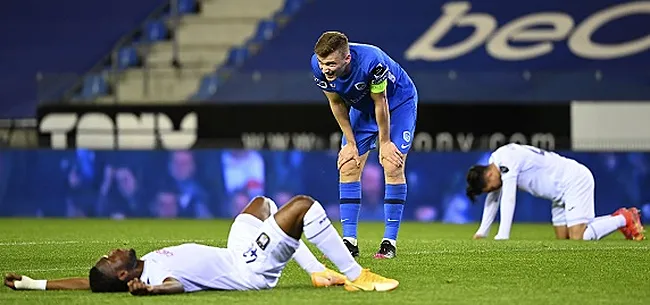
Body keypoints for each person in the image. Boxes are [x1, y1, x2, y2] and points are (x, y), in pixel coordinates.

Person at [4, 196, 399, 295]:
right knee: (302, 206)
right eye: (111, 259)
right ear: (124, 274)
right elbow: (177, 285)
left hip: (233, 252)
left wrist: (33, 284)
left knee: (261, 205)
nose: (113, 251)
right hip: (250, 269)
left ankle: (314, 270)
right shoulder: (156, 276)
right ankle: (355, 274)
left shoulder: (129, 271)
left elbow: (90, 284)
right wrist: (153, 292)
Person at [311, 31, 418, 259]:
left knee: (392, 164)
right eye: (322, 63)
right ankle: (349, 241)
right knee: (349, 164)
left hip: (397, 104)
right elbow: (336, 103)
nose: (325, 69)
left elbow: (381, 102)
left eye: (330, 63)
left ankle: (389, 242)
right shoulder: (317, 66)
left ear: (347, 59)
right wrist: (350, 143)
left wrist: (385, 142)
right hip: (362, 108)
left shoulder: (373, 62)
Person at [465, 143, 645, 241]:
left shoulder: (505, 160)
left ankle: (625, 219)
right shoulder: (497, 162)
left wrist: (502, 235)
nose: (494, 190)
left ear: (489, 174)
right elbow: (494, 198)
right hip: (558, 195)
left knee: (579, 238)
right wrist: (482, 232)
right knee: (564, 240)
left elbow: (509, 198)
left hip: (573, 180)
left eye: (490, 187)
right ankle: (621, 216)